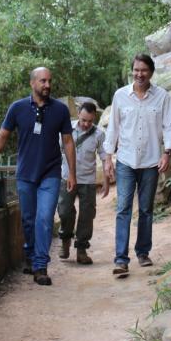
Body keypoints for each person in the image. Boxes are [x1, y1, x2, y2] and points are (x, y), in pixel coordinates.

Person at [0, 67, 76, 286]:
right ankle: (30, 253)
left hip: (51, 173)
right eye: (43, 81)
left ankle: (40, 266)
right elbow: (3, 134)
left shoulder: (60, 110)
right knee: (28, 219)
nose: (47, 85)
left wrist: (72, 173)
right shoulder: (17, 108)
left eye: (49, 81)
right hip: (25, 173)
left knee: (44, 218)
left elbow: (67, 142)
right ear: (32, 83)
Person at [103, 54, 171, 278]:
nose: (139, 74)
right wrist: (108, 158)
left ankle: (143, 252)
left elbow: (169, 126)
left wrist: (167, 153)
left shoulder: (162, 96)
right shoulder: (120, 96)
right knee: (123, 208)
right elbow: (113, 128)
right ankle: (121, 260)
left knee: (145, 209)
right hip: (125, 160)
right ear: (131, 71)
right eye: (136, 70)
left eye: (144, 70)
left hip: (151, 161)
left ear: (151, 72)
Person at [57, 101, 109, 265]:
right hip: (66, 177)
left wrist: (106, 183)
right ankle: (65, 239)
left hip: (87, 180)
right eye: (84, 120)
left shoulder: (99, 134)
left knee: (87, 215)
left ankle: (81, 249)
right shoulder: (66, 129)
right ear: (78, 113)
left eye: (90, 121)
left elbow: (104, 157)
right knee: (65, 211)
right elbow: (56, 151)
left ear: (94, 118)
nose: (86, 124)